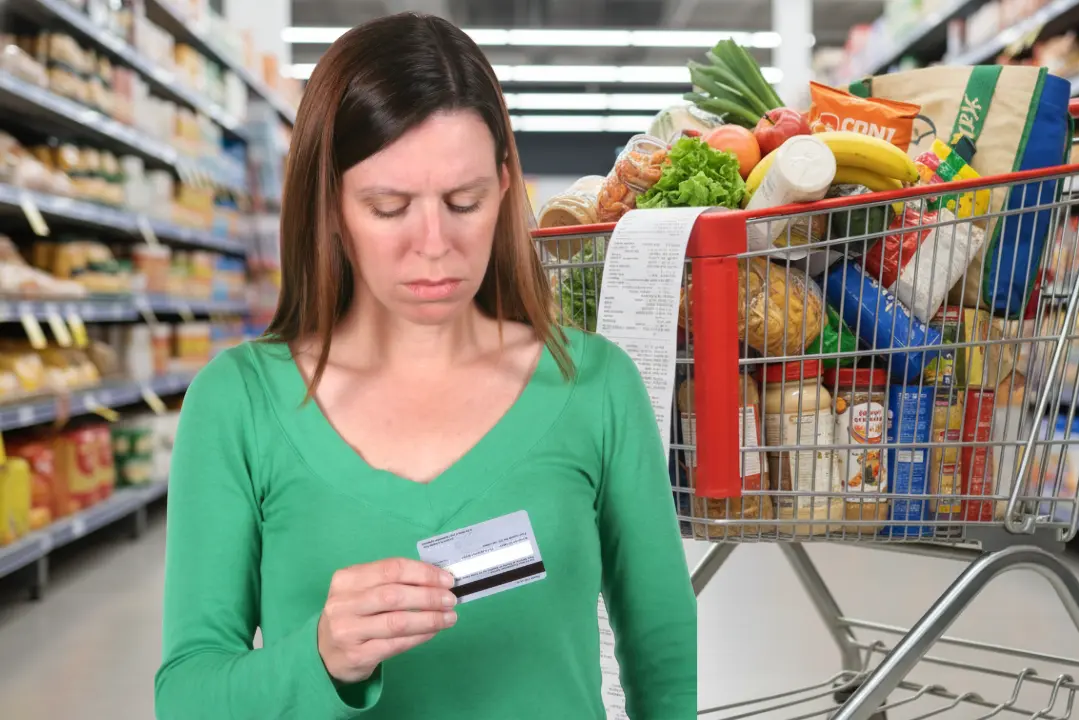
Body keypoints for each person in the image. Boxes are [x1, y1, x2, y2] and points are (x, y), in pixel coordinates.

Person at [154, 13, 695, 719]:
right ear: (332, 207)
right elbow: (188, 696)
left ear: (505, 187)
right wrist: (319, 658)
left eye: (462, 202)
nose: (433, 244)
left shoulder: (594, 386)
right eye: (389, 206)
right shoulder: (239, 405)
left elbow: (661, 647)